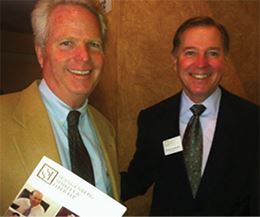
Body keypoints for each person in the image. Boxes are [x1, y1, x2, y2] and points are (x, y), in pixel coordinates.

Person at [121, 16, 259, 216]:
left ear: (225, 60)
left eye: (212, 53)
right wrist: (74, 192)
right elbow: (136, 180)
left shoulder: (253, 121)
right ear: (175, 61)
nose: (201, 64)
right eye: (190, 52)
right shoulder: (153, 119)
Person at [0, 0, 120, 214]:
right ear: (40, 53)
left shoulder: (106, 129)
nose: (84, 57)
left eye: (93, 44)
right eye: (67, 43)